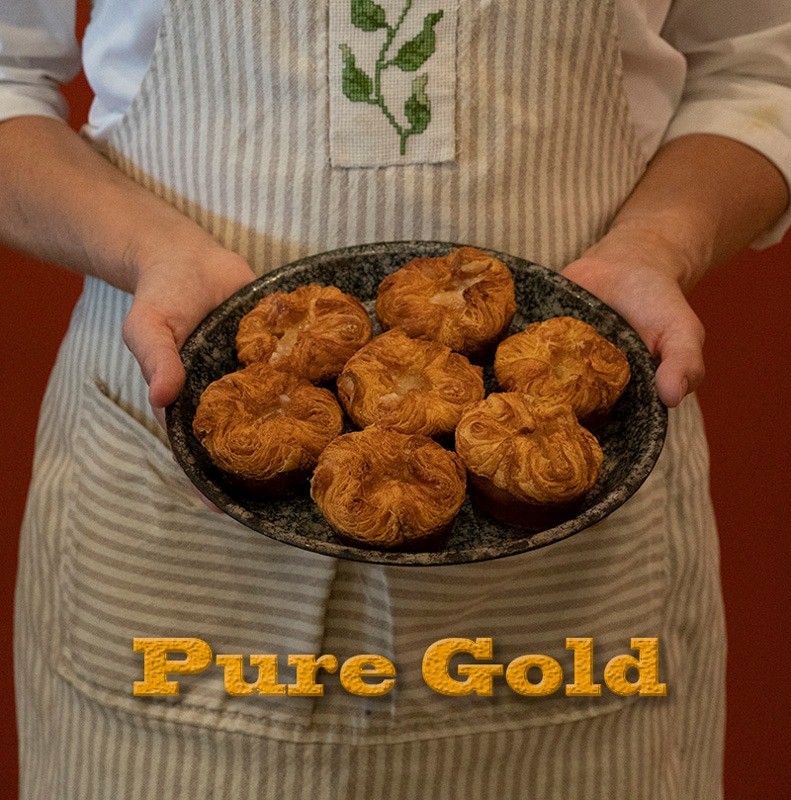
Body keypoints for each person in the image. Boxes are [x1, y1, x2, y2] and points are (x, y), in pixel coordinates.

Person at [1, 1, 789, 798]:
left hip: (575, 550)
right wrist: (150, 251)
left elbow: (758, 67)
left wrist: (657, 246)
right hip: (178, 516)